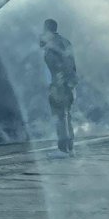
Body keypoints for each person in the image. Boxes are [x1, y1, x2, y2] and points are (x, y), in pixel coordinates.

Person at [39, 19, 78, 158]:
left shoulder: (53, 44)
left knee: (59, 116)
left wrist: (58, 83)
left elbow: (57, 65)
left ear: (47, 29)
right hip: (69, 84)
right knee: (67, 115)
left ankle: (63, 150)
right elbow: (72, 64)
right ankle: (70, 148)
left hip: (59, 84)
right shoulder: (66, 42)